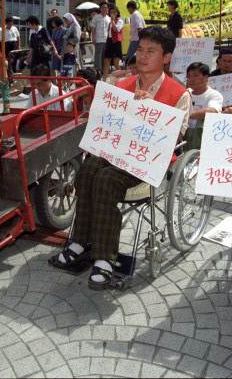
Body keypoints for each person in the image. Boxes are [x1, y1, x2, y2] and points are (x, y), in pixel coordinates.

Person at [49, 26, 192, 290]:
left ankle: (104, 259)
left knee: (104, 179)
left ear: (167, 57)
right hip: (116, 151)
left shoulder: (179, 94)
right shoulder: (120, 85)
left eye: (151, 51)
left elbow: (171, 141)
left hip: (147, 160)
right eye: (140, 50)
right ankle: (80, 241)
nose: (143, 56)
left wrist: (152, 110)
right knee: (88, 168)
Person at [183, 62, 223, 150]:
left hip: (201, 137)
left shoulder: (214, 95)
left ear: (206, 78)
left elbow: (212, 111)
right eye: (188, 76)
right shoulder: (184, 93)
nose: (191, 79)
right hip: (184, 133)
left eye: (195, 76)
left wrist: (186, 115)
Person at [102, 6, 124, 80]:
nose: (112, 14)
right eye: (111, 12)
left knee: (116, 63)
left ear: (117, 13)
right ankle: (104, 80)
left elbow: (116, 29)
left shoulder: (120, 21)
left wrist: (113, 21)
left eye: (114, 12)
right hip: (109, 42)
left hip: (116, 42)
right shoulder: (110, 23)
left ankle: (121, 79)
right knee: (106, 62)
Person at [90, 1, 110, 74]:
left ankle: (103, 72)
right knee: (98, 57)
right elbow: (93, 28)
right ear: (100, 8)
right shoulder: (96, 17)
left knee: (104, 57)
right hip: (98, 39)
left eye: (105, 7)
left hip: (107, 40)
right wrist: (93, 38)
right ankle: (97, 72)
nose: (104, 9)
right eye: (103, 7)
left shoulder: (109, 18)